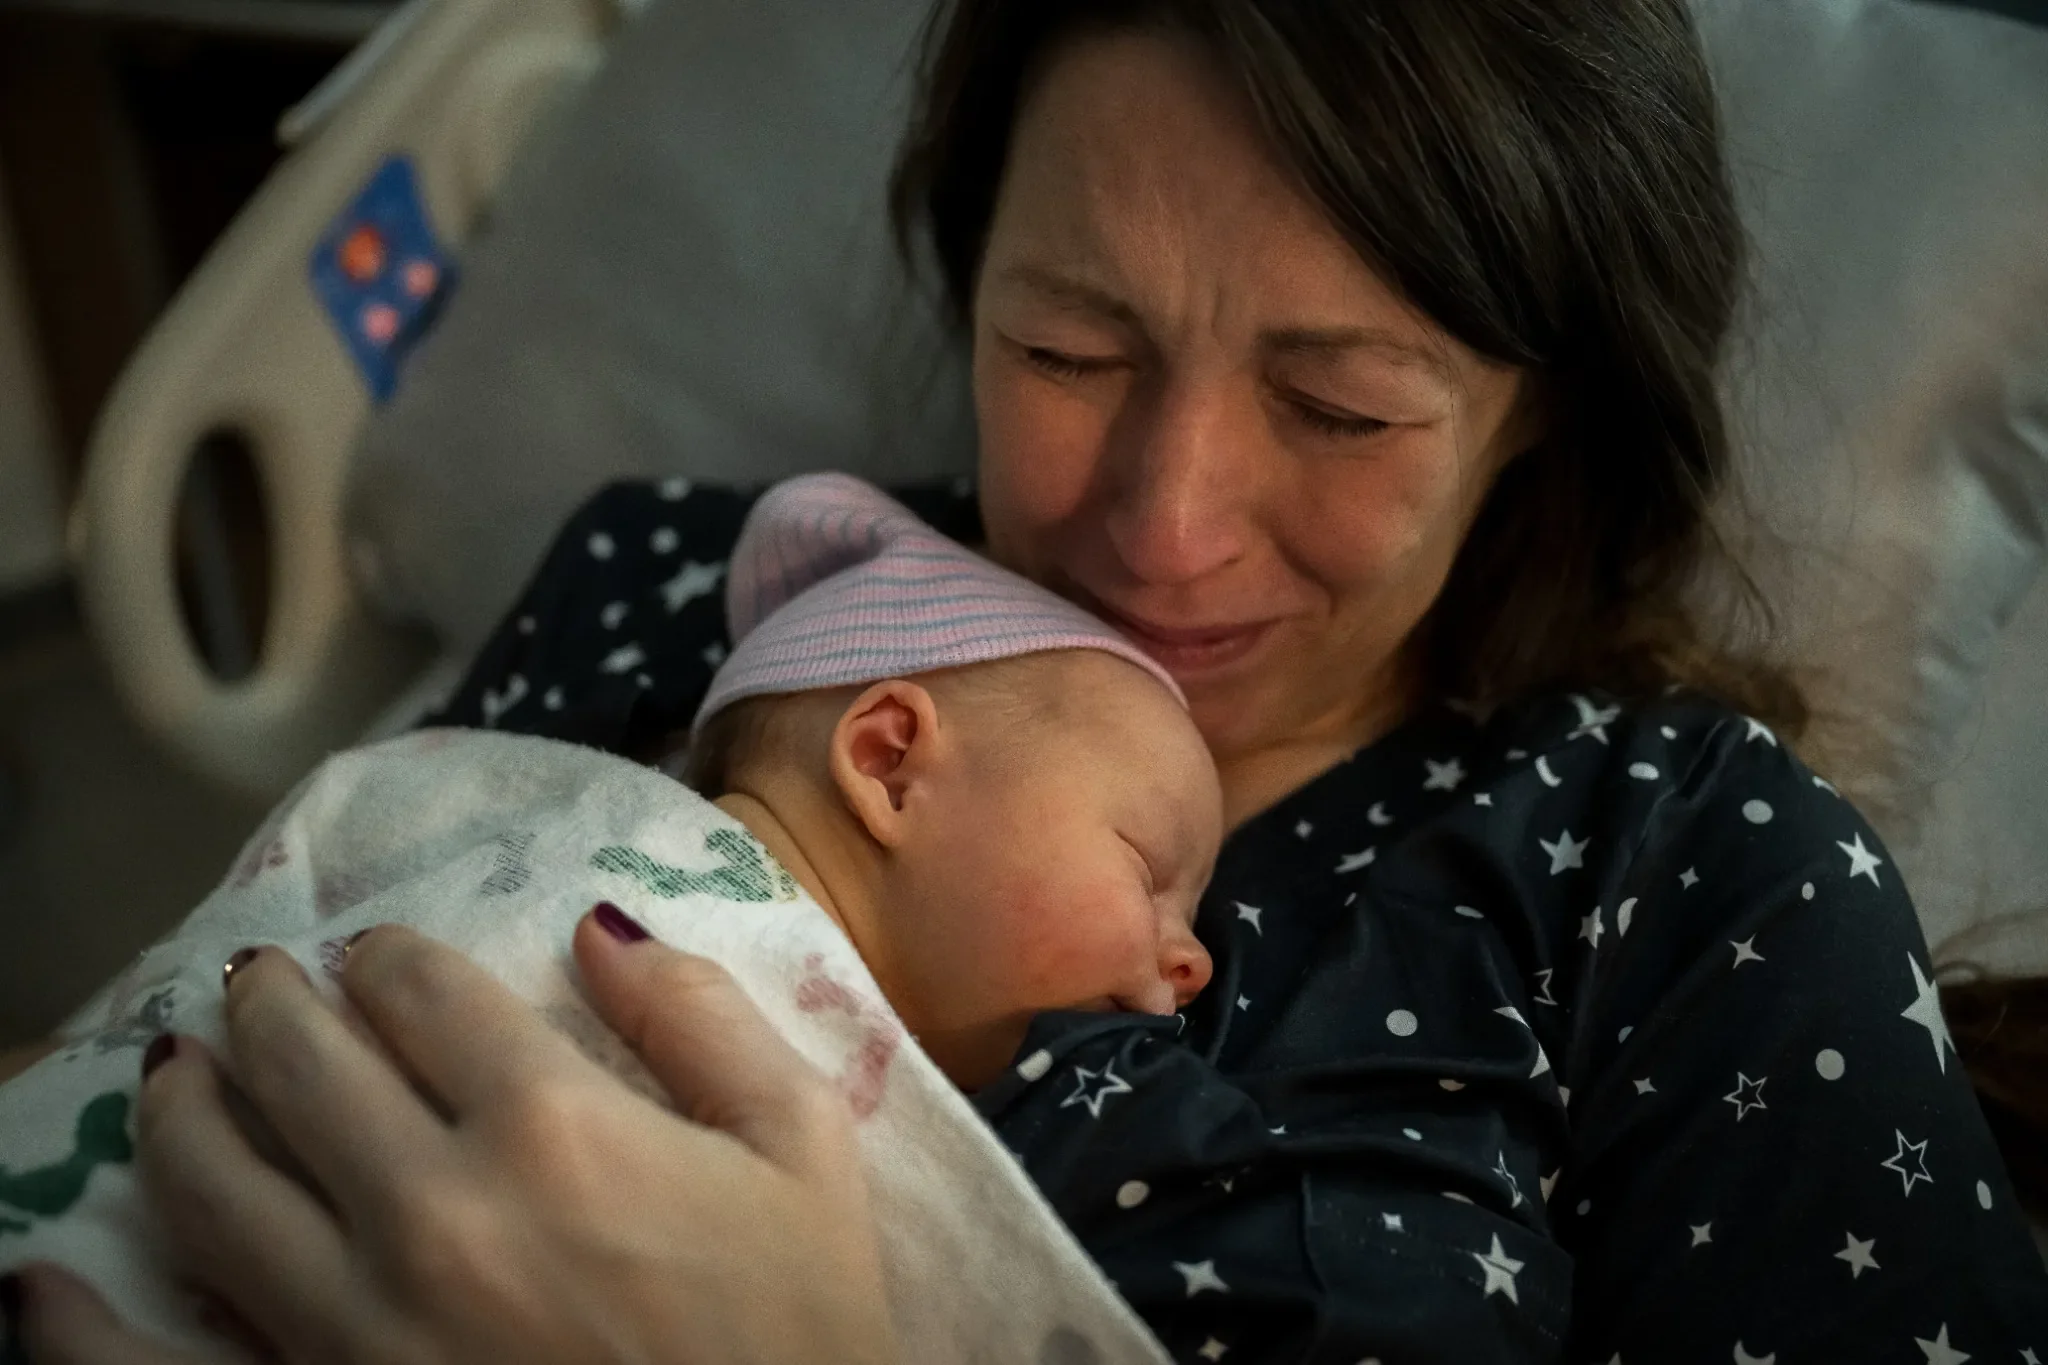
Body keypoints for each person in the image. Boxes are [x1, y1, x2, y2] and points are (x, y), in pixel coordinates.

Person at [10, 0, 2048, 1360]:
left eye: (1340, 406)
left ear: (1538, 416)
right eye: (1067, 351)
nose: (1162, 527)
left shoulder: (1681, 876)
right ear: (965, 274)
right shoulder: (683, 596)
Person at [0, 472, 1219, 1360]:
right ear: (891, 760)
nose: (1192, 955)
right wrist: (129, 1041)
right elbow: (324, 851)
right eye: (1147, 863)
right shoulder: (565, 810)